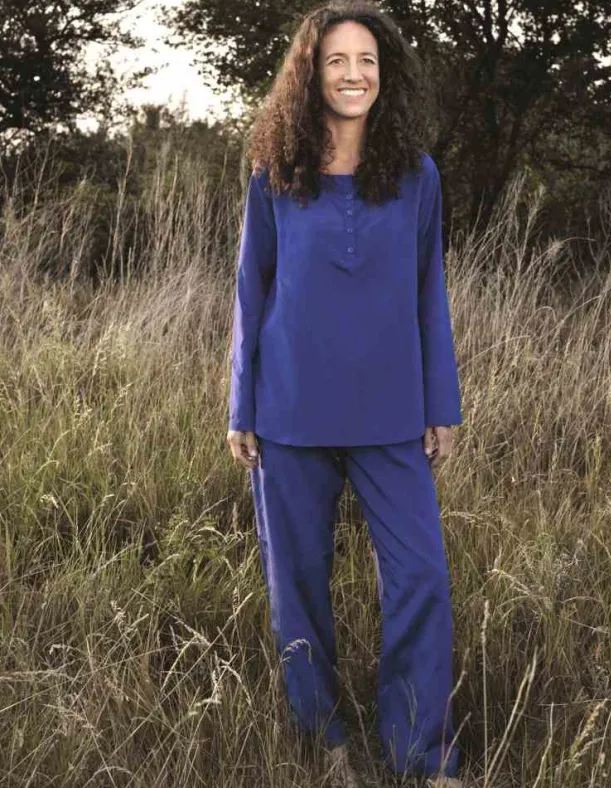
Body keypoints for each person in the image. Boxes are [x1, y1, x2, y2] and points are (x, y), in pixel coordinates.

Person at [226, 2, 464, 786]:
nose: (353, 74)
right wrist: (241, 405)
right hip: (289, 409)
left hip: (392, 411)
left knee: (422, 576)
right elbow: (250, 291)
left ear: (384, 73)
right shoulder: (275, 173)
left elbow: (429, 292)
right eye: (336, 60)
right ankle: (325, 744)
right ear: (311, 74)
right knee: (297, 585)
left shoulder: (417, 175)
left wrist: (441, 403)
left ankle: (418, 755)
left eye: (367, 60)